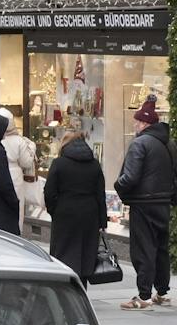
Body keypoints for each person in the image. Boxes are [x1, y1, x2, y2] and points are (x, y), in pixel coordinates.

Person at [116, 95, 174, 309]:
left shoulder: (140, 143)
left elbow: (130, 177)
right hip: (163, 203)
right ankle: (162, 292)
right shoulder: (169, 143)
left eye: (137, 121)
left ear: (144, 123)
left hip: (143, 203)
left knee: (144, 248)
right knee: (160, 248)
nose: (134, 124)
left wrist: (118, 187)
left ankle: (143, 296)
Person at [46, 130, 108, 283]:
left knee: (63, 251)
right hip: (89, 213)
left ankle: (65, 287)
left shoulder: (59, 163)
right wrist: (102, 221)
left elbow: (49, 191)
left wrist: (53, 210)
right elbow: (100, 194)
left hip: (65, 212)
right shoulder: (94, 165)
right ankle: (82, 289)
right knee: (86, 253)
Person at [0, 107, 39, 230]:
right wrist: (32, 148)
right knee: (16, 207)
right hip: (15, 177)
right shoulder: (19, 141)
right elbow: (26, 162)